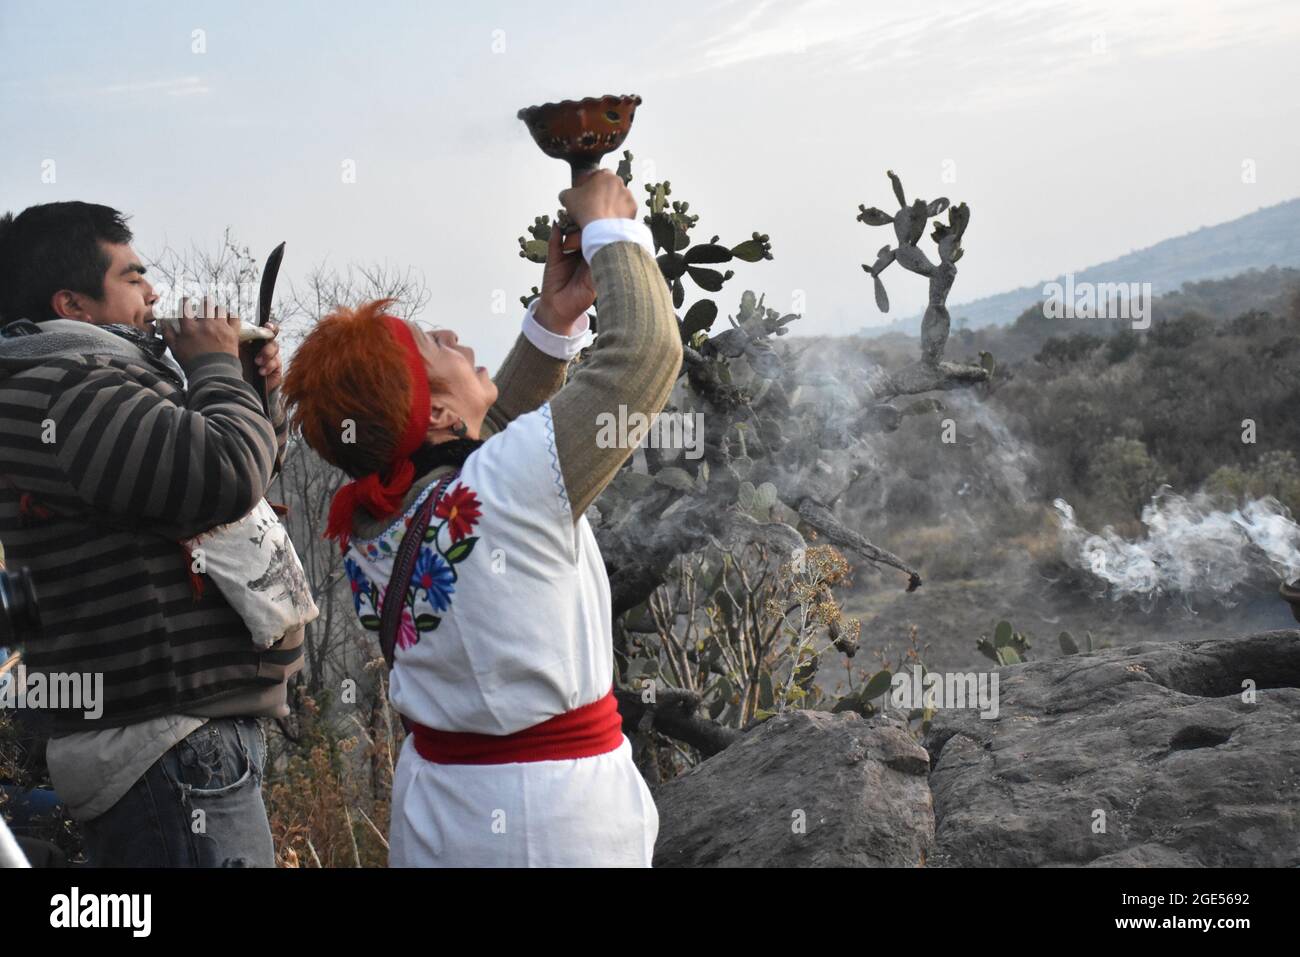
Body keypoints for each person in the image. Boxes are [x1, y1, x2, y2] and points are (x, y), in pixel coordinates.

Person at [282, 169, 682, 866]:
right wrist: (613, 227)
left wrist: (553, 322)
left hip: (444, 808)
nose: (447, 333)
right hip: (550, 825)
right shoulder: (499, 488)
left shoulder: (377, 519)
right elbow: (644, 356)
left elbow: (487, 442)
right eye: (430, 345)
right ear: (436, 414)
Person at [0, 201, 300, 866]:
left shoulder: (98, 373)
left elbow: (227, 485)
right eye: (133, 277)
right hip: (168, 740)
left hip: (180, 736)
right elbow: (223, 473)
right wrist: (217, 371)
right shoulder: (65, 386)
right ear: (73, 302)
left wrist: (247, 391)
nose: (154, 293)